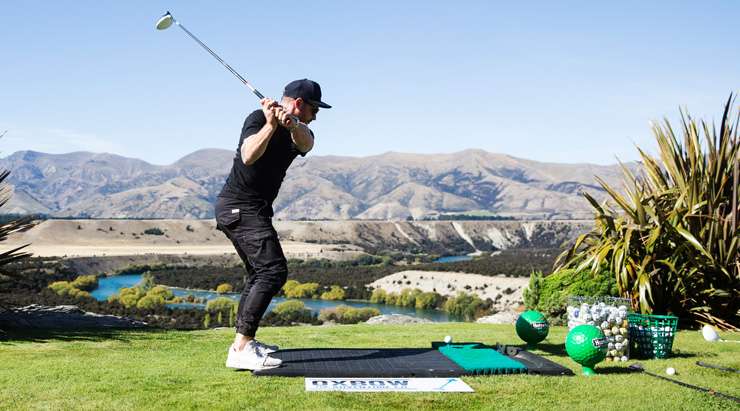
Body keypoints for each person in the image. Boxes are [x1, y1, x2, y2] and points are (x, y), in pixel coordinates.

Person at [215, 79, 331, 370]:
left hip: (255, 210)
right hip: (239, 207)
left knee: (259, 273)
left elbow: (308, 142)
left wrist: (290, 123)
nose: (316, 115)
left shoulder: (299, 131)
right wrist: (269, 123)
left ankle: (243, 344)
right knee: (272, 270)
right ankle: (241, 348)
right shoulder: (256, 119)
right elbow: (248, 155)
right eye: (314, 109)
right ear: (300, 103)